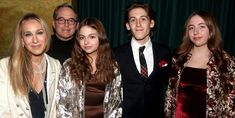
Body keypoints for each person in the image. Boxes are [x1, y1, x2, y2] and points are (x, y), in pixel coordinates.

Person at [165, 10, 235, 117]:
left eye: (201, 26)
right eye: (191, 27)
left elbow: (230, 101)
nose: (195, 32)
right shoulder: (179, 58)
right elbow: (170, 95)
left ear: (211, 30)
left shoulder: (225, 60)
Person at [113, 2, 172, 118]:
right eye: (133, 20)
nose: (138, 24)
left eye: (143, 19)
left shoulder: (164, 52)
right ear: (127, 25)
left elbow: (169, 86)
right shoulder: (116, 54)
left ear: (152, 23)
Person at [56, 17, 122, 118]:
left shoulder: (113, 66)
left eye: (91, 37)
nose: (86, 42)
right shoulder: (69, 66)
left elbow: (116, 105)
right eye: (82, 37)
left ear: (100, 37)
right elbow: (63, 105)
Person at [0, 13, 61, 118]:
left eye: (39, 33)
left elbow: (57, 109)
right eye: (28, 34)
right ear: (22, 40)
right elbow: (3, 111)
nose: (35, 40)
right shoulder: (5, 67)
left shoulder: (56, 65)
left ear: (46, 36)